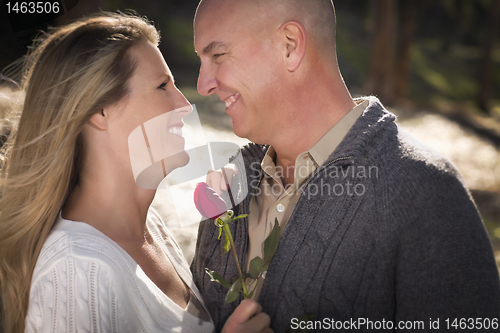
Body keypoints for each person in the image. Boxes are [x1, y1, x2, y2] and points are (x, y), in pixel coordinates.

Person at [190, 0, 500, 332]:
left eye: (218, 56)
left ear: (290, 46)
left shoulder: (425, 193)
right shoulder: (228, 190)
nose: (202, 84)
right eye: (201, 61)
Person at [0, 12, 273, 333]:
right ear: (100, 111)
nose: (185, 104)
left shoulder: (150, 228)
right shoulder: (76, 270)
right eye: (162, 86)